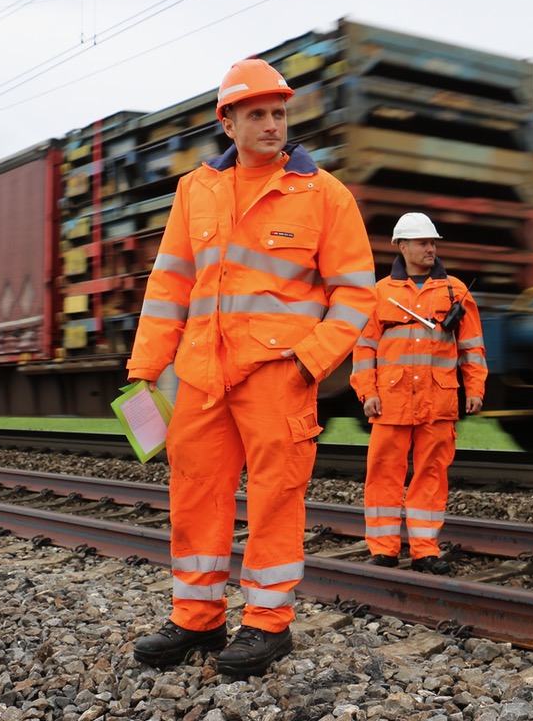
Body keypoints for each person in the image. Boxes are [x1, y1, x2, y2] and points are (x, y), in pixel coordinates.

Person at [126, 58, 376, 676]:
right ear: (228, 121)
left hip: (277, 373)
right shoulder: (196, 190)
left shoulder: (324, 193)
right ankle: (197, 619)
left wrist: (309, 361)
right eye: (257, 113)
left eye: (279, 112)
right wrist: (146, 367)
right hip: (201, 373)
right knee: (195, 497)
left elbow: (356, 292)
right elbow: (169, 285)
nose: (272, 123)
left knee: (274, 499)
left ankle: (267, 625)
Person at [349, 213, 488, 574]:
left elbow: (472, 348)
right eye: (423, 242)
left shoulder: (455, 291)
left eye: (433, 242)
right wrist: (367, 392)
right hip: (390, 401)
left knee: (432, 473)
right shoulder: (380, 294)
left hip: (438, 401)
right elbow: (363, 349)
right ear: (402, 246)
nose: (431, 248)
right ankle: (384, 549)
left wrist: (475, 388)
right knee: (383, 473)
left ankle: (426, 549)